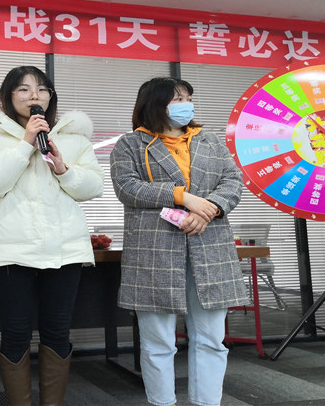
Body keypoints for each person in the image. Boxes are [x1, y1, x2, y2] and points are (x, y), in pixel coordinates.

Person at [0, 66, 103, 406]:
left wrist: (63, 168)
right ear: (8, 97)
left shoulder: (74, 138)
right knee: (16, 330)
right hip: (10, 249)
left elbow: (93, 187)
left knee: (57, 330)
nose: (34, 96)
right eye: (24, 89)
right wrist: (25, 143)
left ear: (50, 97)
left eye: (42, 89)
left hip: (65, 248)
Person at [109, 77, 247, 406]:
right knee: (158, 341)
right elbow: (127, 187)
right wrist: (183, 197)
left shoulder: (210, 141)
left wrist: (209, 209)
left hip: (210, 245)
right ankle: (163, 403)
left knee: (212, 339)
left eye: (187, 98)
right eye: (177, 99)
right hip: (154, 251)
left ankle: (206, 402)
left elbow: (232, 180)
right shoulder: (130, 144)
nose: (186, 105)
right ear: (154, 104)